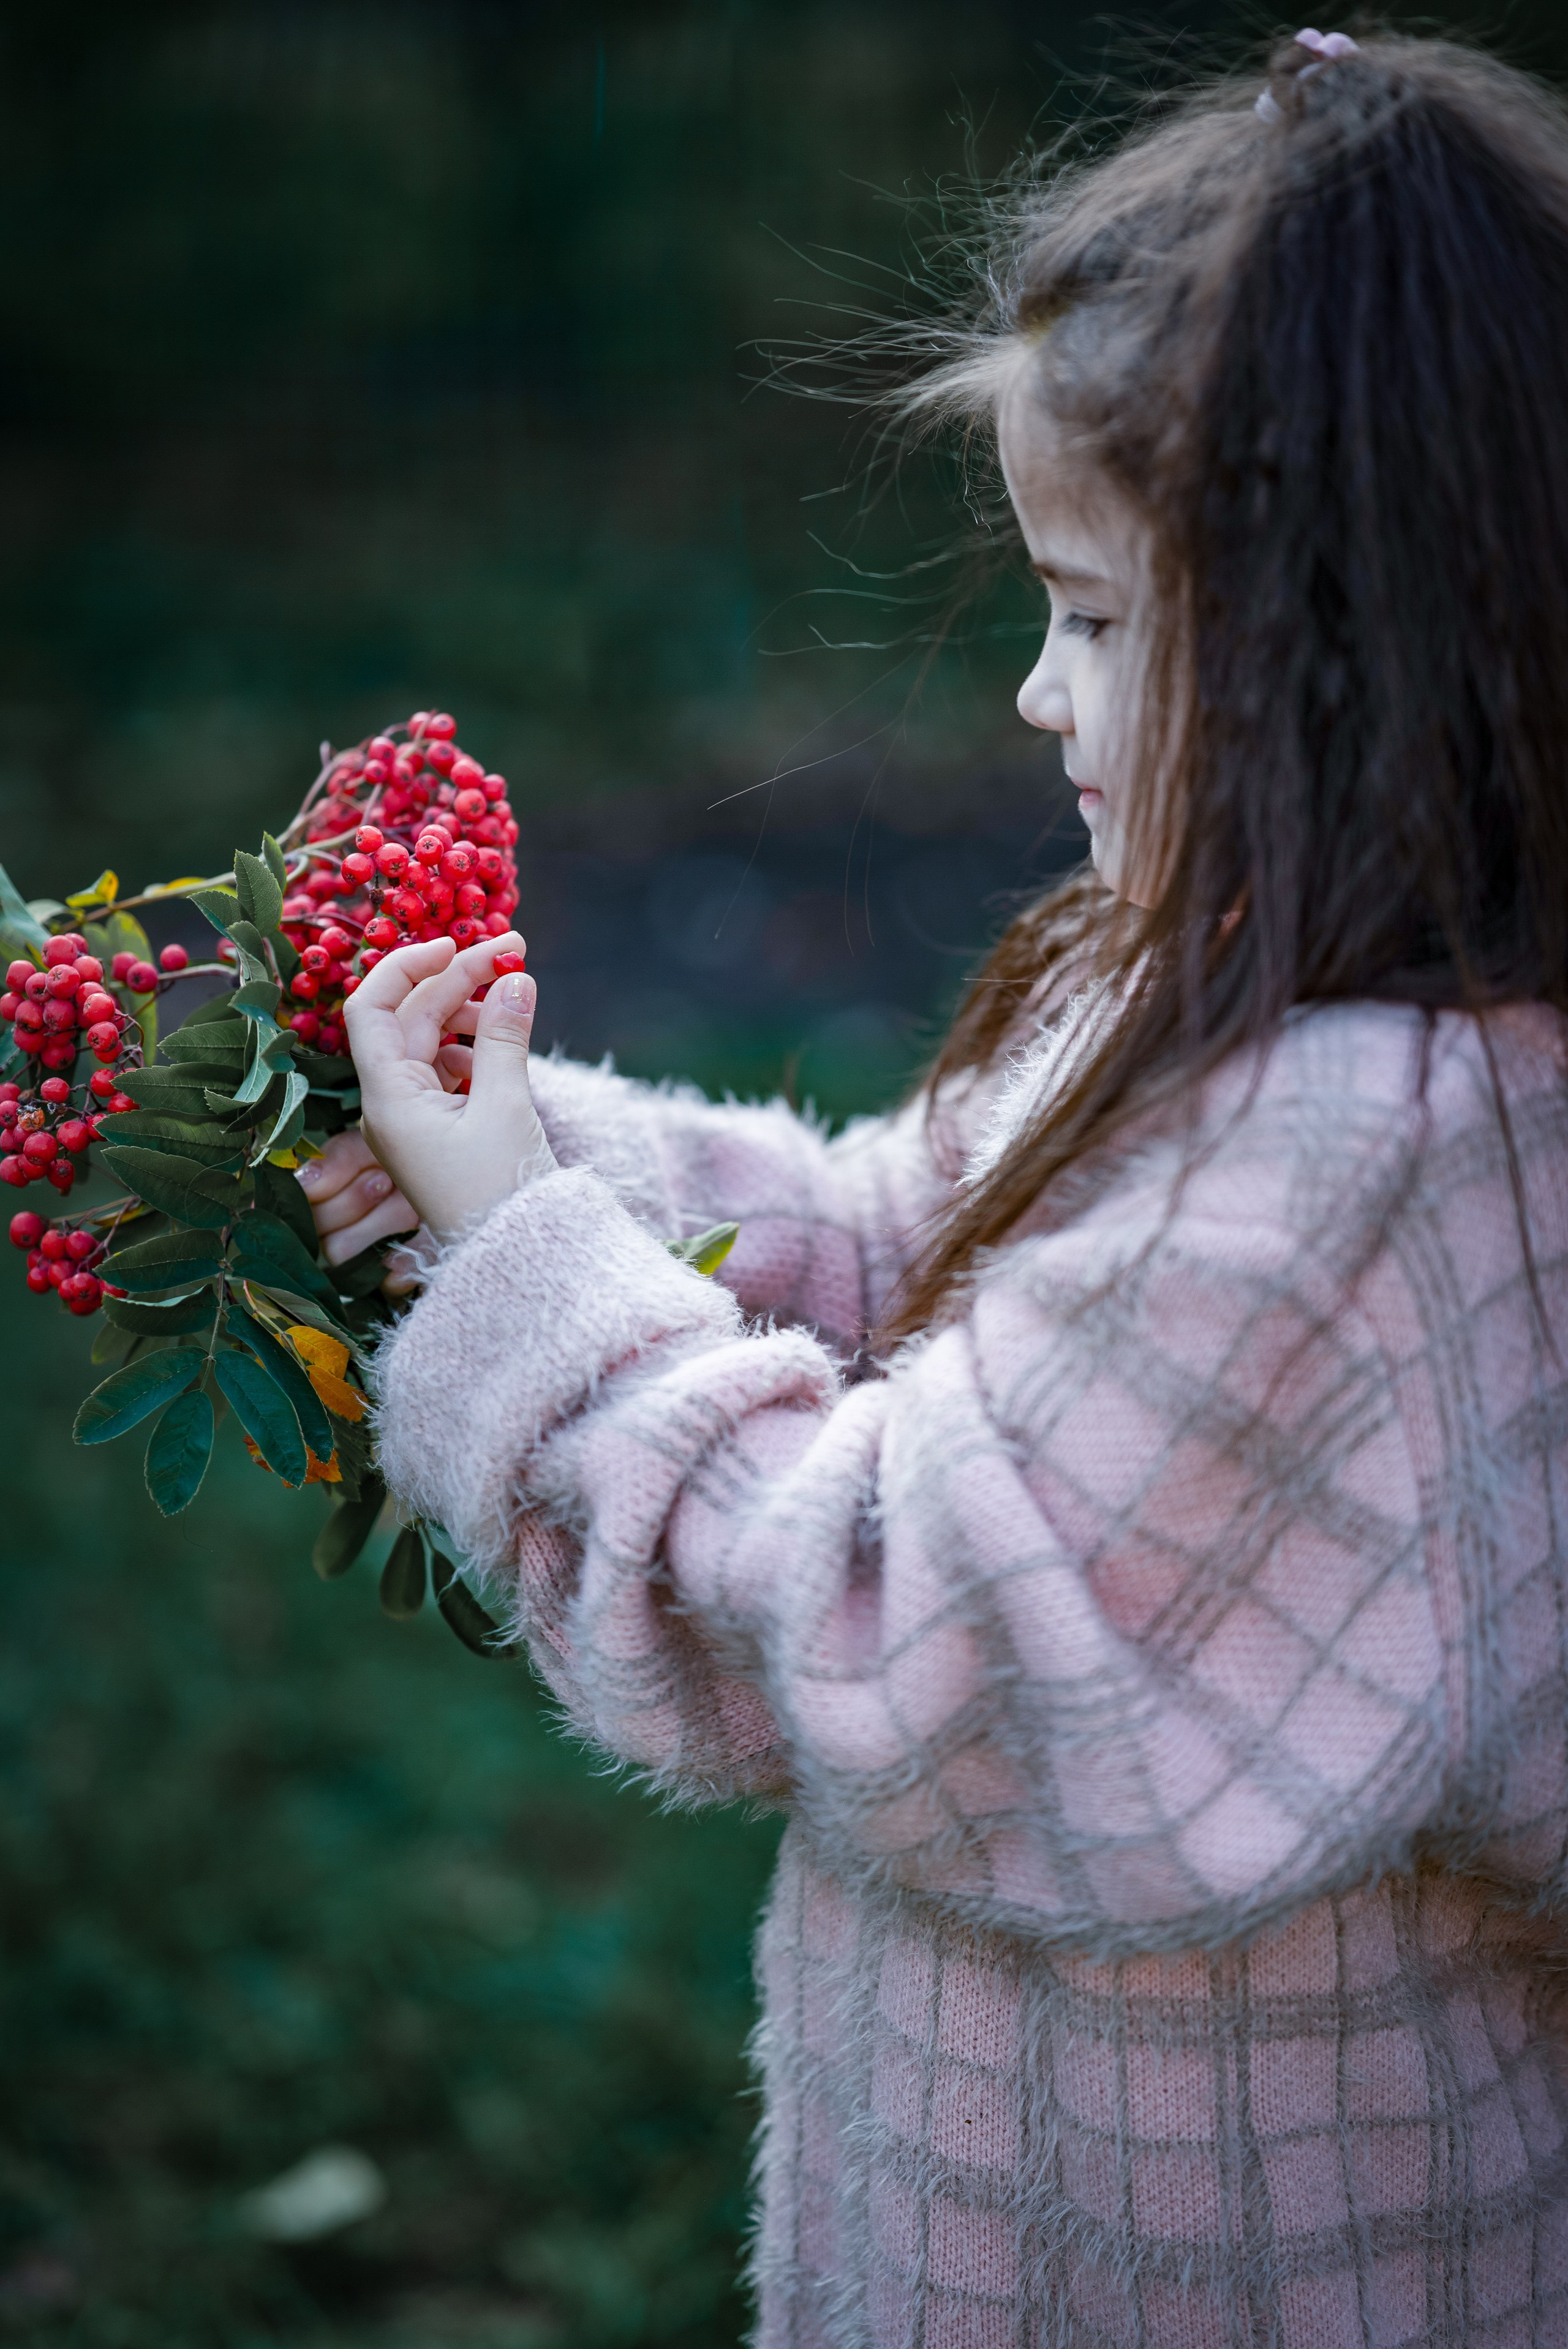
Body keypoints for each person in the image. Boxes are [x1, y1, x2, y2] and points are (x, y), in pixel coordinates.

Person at [301, 31, 1568, 2345]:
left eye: (1093, 616)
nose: (1032, 693)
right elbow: (923, 1248)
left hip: (1229, 2269)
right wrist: (544, 1156)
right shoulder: (1240, 998)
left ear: (1352, 646)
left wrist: (518, 1259)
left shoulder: (1362, 1149)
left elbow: (889, 1627)